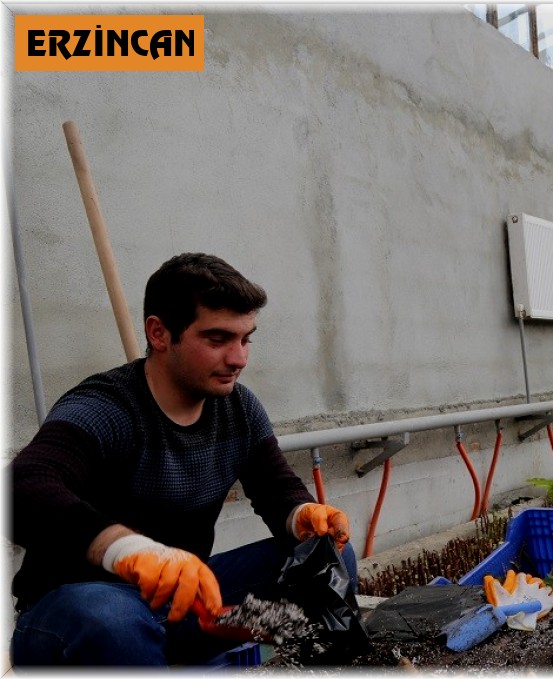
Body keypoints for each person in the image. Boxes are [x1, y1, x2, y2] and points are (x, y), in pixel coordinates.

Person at [8, 252, 356, 666]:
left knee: (328, 556)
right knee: (110, 619)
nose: (239, 358)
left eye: (246, 339)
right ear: (159, 333)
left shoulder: (238, 409)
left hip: (183, 608)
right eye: (217, 339)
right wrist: (126, 549)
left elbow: (275, 487)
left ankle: (282, 655)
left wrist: (300, 512)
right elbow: (22, 486)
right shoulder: (107, 406)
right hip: (77, 613)